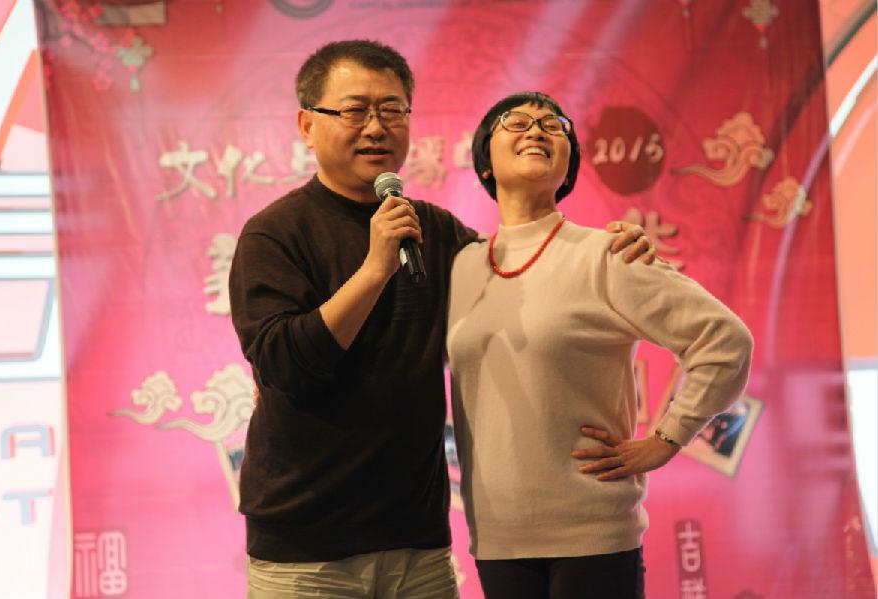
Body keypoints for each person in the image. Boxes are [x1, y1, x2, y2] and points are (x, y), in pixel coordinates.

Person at [228, 41, 654, 599]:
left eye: (392, 110)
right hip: (307, 550)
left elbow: (524, 278)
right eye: (355, 111)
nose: (376, 127)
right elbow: (284, 366)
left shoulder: (436, 230)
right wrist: (375, 270)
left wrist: (609, 245)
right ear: (308, 125)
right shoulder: (275, 234)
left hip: (418, 545)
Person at [446, 91, 754, 599]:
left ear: (567, 167)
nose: (537, 129)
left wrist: (666, 439)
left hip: (592, 534)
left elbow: (725, 342)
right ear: (484, 163)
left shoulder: (606, 254)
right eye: (516, 122)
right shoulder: (458, 267)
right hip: (496, 538)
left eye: (554, 125)